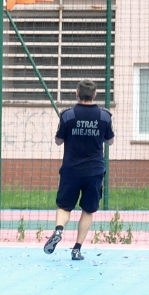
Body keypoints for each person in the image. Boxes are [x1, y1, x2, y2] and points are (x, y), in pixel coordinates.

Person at [44, 79, 115, 261]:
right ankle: (77, 249)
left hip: (71, 170)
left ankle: (59, 231)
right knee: (88, 210)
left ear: (77, 94)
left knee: (64, 206)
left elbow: (58, 141)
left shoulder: (67, 115)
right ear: (95, 95)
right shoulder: (105, 116)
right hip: (94, 171)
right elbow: (110, 140)